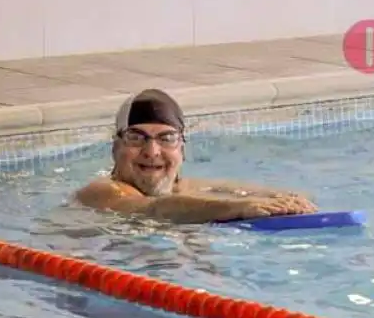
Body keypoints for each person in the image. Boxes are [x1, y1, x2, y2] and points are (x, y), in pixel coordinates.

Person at [74, 88, 318, 224]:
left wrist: (289, 201)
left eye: (166, 138)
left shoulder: (183, 187)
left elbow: (246, 192)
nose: (152, 151)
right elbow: (153, 209)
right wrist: (239, 208)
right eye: (136, 138)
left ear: (182, 150)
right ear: (115, 148)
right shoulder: (103, 191)